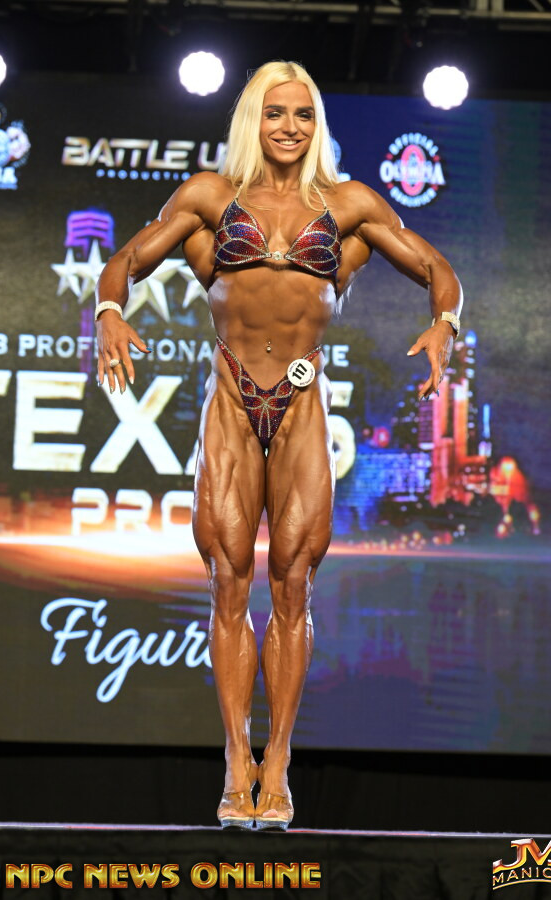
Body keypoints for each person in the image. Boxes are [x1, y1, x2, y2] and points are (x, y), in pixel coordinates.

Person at [94, 60, 463, 830]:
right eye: (274, 112)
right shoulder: (210, 196)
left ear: (315, 122)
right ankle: (237, 761)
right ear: (252, 120)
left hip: (301, 408)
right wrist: (109, 313)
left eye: (301, 114)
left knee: (294, 588)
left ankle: (281, 761)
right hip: (231, 403)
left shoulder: (349, 204)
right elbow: (127, 261)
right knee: (229, 583)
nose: (289, 127)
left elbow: (434, 267)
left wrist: (443, 324)